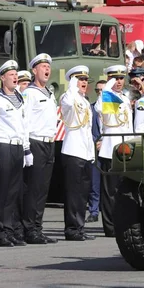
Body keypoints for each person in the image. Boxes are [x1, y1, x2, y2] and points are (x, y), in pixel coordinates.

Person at [0, 60, 30, 247]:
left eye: (16, 74)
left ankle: (10, 228)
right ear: (2, 78)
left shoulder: (20, 98)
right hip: (3, 145)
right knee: (2, 191)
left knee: (14, 191)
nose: (15, 77)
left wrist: (27, 148)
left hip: (17, 146)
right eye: (11, 74)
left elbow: (24, 126)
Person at [21, 53, 59, 245]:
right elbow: (24, 121)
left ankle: (37, 227)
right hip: (35, 142)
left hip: (49, 143)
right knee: (33, 188)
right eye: (42, 66)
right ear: (34, 70)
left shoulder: (49, 93)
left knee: (43, 189)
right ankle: (29, 229)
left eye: (48, 66)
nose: (46, 69)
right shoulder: (30, 93)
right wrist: (26, 148)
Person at [94, 65, 133, 237]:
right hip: (111, 149)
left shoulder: (124, 98)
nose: (118, 82)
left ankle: (122, 223)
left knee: (123, 190)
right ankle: (110, 227)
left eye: (121, 78)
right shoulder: (107, 96)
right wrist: (107, 88)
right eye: (115, 78)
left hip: (125, 148)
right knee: (110, 192)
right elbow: (100, 109)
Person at [59, 65, 96, 241]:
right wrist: (71, 86)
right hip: (73, 151)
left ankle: (79, 227)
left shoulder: (85, 101)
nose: (84, 83)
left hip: (85, 152)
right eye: (80, 79)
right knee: (73, 193)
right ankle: (72, 229)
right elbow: (67, 105)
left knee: (82, 193)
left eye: (85, 80)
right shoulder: (68, 97)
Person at [85, 79, 105, 224]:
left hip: (110, 148)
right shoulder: (91, 109)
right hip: (95, 149)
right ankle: (93, 210)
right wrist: (95, 141)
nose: (100, 93)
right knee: (94, 182)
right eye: (98, 90)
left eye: (103, 90)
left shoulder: (114, 108)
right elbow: (86, 128)